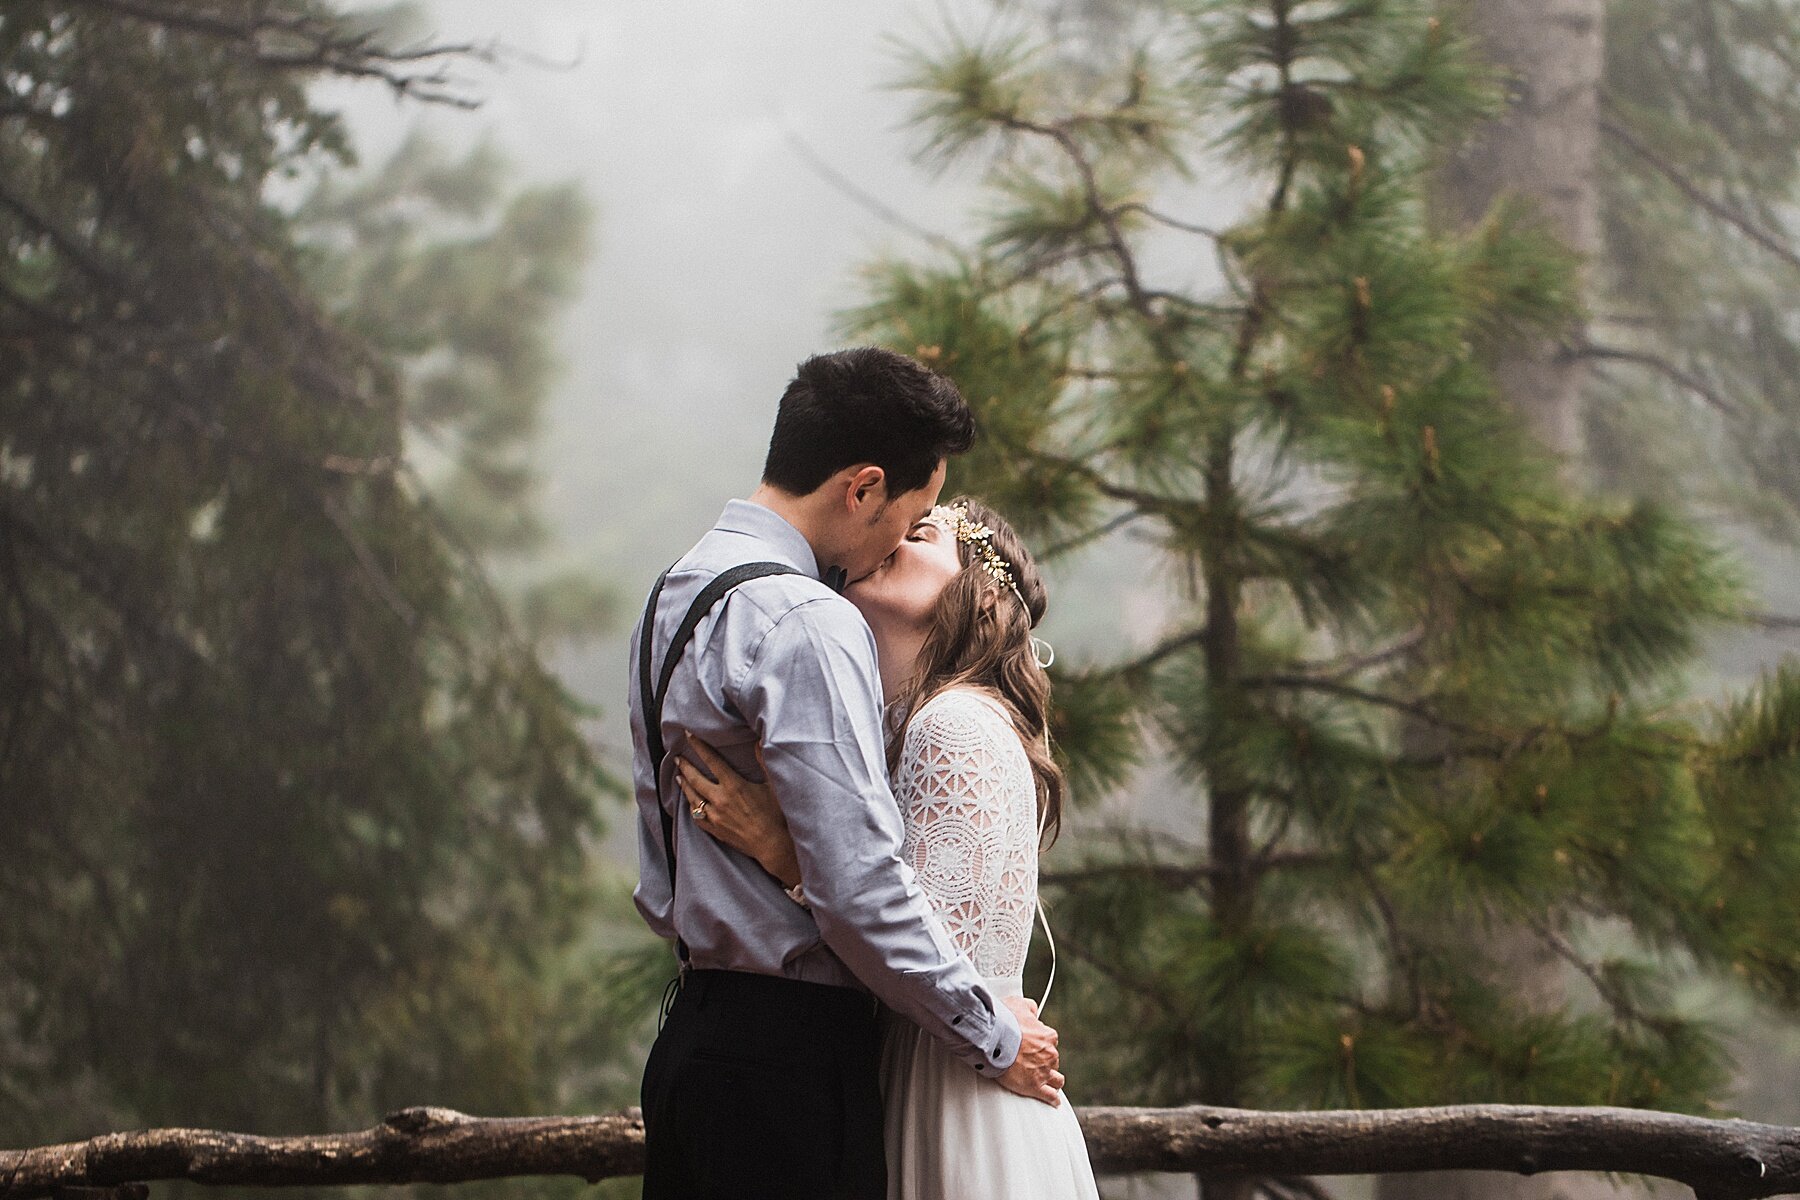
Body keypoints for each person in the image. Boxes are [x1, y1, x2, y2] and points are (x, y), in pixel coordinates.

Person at [628, 348, 1064, 1200]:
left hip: (691, 1042)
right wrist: (997, 1035)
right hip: (788, 1063)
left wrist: (788, 856)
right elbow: (863, 887)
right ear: (861, 488)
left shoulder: (677, 591)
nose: (904, 539)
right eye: (914, 514)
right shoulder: (806, 619)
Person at [678, 496, 1101, 1200]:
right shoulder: (920, 724)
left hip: (956, 1090)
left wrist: (786, 855)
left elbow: (922, 946)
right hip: (950, 1063)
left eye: (923, 533)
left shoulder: (953, 726)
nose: (895, 538)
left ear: (980, 588)